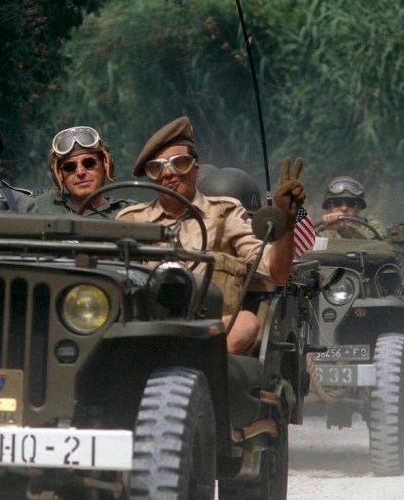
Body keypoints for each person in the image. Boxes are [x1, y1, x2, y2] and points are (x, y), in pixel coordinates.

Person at [116, 116, 315, 355]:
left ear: (196, 170)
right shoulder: (131, 221)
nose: (168, 174)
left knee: (247, 324)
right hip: (146, 331)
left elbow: (277, 273)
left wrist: (287, 225)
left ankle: (193, 370)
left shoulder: (225, 213)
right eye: (156, 168)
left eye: (179, 163)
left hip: (211, 334)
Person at [34, 126, 134, 215]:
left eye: (89, 163)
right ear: (59, 174)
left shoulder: (129, 213)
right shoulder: (37, 208)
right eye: (69, 167)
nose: (80, 172)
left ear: (105, 165)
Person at [316, 176, 387, 239]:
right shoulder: (320, 232)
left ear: (358, 207)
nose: (344, 208)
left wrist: (346, 229)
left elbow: (379, 245)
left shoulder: (372, 227)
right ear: (329, 207)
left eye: (350, 203)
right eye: (336, 203)